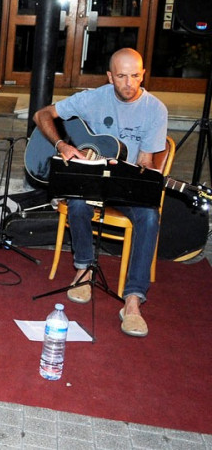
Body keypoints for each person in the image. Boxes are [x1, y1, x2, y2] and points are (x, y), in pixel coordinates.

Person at [32, 47, 168, 338]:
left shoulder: (155, 109)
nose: (129, 83)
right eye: (121, 76)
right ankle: (83, 270)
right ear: (110, 76)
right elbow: (42, 115)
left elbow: (145, 162)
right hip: (91, 181)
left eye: (135, 76)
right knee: (78, 203)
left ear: (143, 74)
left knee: (149, 217)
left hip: (124, 184)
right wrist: (62, 146)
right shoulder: (92, 98)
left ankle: (132, 301)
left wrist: (139, 172)